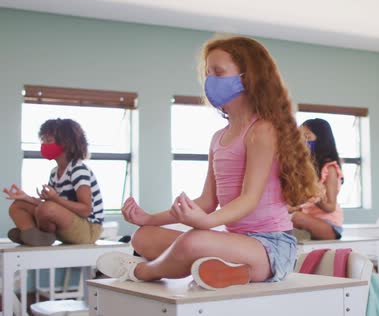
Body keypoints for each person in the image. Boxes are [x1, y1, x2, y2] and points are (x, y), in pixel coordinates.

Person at [96, 36, 319, 289]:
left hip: (271, 248)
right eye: (208, 73)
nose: (210, 80)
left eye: (219, 72)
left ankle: (142, 271)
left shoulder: (262, 131)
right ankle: (230, 271)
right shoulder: (218, 138)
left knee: (193, 242)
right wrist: (149, 219)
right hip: (233, 242)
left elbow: (250, 198)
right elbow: (207, 201)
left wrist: (205, 223)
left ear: (248, 78)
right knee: (143, 237)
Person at [3, 118, 104, 246]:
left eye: (48, 140)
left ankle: (37, 235)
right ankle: (32, 234)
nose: (44, 145)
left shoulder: (78, 170)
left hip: (88, 229)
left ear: (66, 143)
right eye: (43, 140)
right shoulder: (54, 172)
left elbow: (86, 210)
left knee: (47, 208)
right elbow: (50, 205)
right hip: (66, 223)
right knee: (18, 205)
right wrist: (25, 197)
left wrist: (55, 198)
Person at [290, 118, 344, 240]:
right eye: (300, 137)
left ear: (321, 140)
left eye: (307, 137)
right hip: (310, 220)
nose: (303, 142)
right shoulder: (307, 168)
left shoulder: (329, 168)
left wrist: (314, 194)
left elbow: (330, 207)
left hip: (330, 227)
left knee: (296, 217)